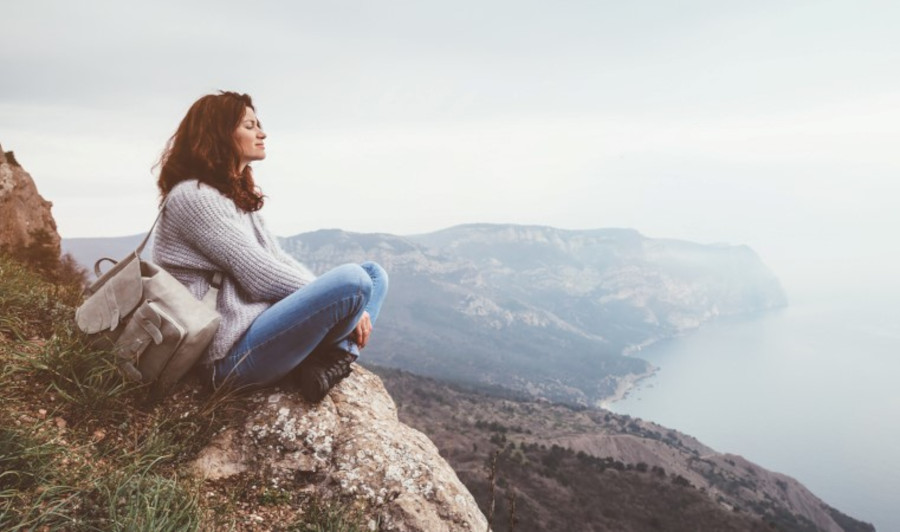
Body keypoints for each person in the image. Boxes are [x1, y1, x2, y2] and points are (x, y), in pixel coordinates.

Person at [151, 91, 388, 402]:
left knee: (372, 274)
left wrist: (337, 299)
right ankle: (332, 356)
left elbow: (278, 259)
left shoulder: (230, 197)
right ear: (219, 134)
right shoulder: (193, 198)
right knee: (355, 282)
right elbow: (259, 274)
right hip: (224, 357)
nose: (262, 133)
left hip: (255, 334)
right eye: (249, 126)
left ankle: (328, 361)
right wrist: (347, 301)